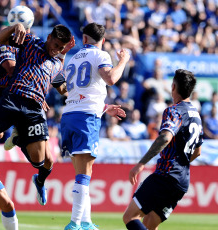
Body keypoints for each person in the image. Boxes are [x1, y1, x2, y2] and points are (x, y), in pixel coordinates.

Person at [0, 24, 74, 209]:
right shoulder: (31, 42)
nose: (55, 49)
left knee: (40, 160)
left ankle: (36, 175)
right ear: (49, 37)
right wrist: (15, 27)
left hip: (34, 109)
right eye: (55, 44)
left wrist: (78, 89)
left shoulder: (56, 63)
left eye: (60, 48)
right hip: (12, 99)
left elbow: (62, 88)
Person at [61, 22, 130, 230]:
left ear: (83, 39)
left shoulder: (73, 59)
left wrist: (104, 107)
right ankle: (74, 223)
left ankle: (86, 222)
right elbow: (111, 79)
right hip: (86, 118)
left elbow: (80, 91)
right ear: (103, 41)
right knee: (86, 172)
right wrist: (123, 61)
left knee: (81, 172)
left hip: (69, 116)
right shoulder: (100, 55)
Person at [122, 69, 203, 230]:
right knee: (150, 224)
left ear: (173, 87)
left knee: (130, 216)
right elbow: (198, 151)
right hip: (182, 181)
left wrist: (141, 163)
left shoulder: (174, 111)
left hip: (165, 175)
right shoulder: (196, 115)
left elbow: (165, 137)